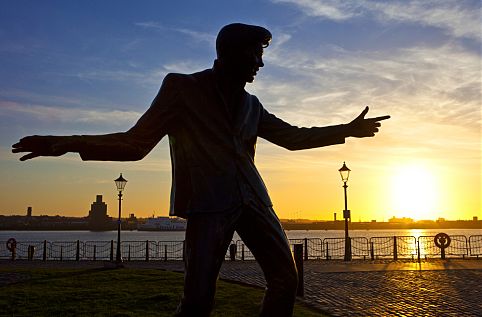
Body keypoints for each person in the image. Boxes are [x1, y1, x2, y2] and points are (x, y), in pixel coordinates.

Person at [12, 23, 389, 316]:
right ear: (232, 53)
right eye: (255, 54)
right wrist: (65, 142)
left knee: (286, 279)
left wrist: (346, 131)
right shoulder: (181, 88)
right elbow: (135, 144)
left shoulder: (252, 104)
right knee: (197, 301)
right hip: (209, 204)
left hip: (254, 200)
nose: (261, 62)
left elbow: (292, 137)